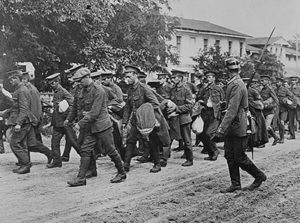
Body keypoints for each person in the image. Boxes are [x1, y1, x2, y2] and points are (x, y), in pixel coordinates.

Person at [65, 68, 126, 186]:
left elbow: (94, 113)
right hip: (90, 127)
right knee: (85, 150)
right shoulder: (81, 90)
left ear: (87, 77)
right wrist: (69, 119)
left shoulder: (99, 90)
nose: (78, 83)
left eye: (80, 80)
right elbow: (75, 108)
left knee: (111, 150)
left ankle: (121, 172)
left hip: (102, 126)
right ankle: (81, 178)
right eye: (77, 81)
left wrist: (79, 124)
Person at [214, 58, 266, 193]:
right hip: (233, 126)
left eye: (233, 71)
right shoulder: (234, 83)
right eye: (233, 70)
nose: (232, 73)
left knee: (240, 157)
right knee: (230, 156)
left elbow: (232, 110)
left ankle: (259, 176)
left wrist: (220, 130)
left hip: (238, 125)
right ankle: (235, 184)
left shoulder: (237, 84)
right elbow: (230, 105)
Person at [122, 65, 165, 173]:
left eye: (128, 76)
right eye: (126, 77)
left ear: (135, 75)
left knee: (151, 141)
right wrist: (124, 122)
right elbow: (128, 107)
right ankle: (126, 164)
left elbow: (155, 104)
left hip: (147, 121)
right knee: (130, 140)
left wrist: (146, 115)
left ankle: (157, 164)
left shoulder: (144, 88)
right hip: (135, 120)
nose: (126, 79)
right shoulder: (130, 90)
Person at [7, 70, 51, 174]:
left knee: (15, 143)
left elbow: (24, 109)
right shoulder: (20, 89)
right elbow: (16, 107)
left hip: (23, 122)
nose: (11, 81)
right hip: (26, 121)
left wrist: (18, 123)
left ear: (19, 79)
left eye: (13, 78)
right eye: (10, 79)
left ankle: (26, 164)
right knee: (31, 143)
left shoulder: (22, 90)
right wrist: (5, 112)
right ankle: (49, 154)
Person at [45, 73, 80, 168]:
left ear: (57, 82)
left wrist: (69, 118)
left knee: (74, 142)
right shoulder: (56, 92)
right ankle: (57, 161)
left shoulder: (63, 91)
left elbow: (73, 104)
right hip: (58, 123)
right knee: (54, 143)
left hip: (66, 123)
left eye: (52, 83)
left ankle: (88, 159)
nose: (50, 85)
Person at [168, 69, 194, 166]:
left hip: (184, 118)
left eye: (175, 77)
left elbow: (190, 105)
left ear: (180, 78)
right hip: (174, 118)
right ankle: (165, 157)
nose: (173, 79)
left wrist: (177, 109)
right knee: (170, 137)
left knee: (187, 140)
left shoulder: (186, 90)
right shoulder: (172, 89)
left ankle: (189, 159)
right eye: (172, 77)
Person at [197, 70, 224, 161]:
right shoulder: (204, 89)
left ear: (214, 78)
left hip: (215, 114)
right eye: (207, 77)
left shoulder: (218, 88)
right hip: (206, 113)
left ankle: (215, 151)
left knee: (209, 133)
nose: (208, 79)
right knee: (202, 134)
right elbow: (200, 98)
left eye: (210, 77)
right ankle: (210, 152)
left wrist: (219, 107)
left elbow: (224, 101)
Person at [260, 75, 280, 145]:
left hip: (270, 111)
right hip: (264, 111)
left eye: (263, 80)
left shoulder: (270, 89)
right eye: (261, 80)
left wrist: (270, 106)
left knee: (266, 126)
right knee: (264, 126)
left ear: (267, 81)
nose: (261, 82)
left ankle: (263, 142)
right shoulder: (262, 89)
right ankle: (276, 137)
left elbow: (276, 100)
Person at [275, 77, 294, 143]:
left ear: (281, 82)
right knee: (279, 123)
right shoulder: (275, 89)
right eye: (276, 82)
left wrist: (286, 99)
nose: (277, 83)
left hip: (284, 109)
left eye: (278, 82)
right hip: (277, 108)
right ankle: (280, 137)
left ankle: (282, 138)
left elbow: (292, 96)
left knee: (282, 123)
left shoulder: (285, 89)